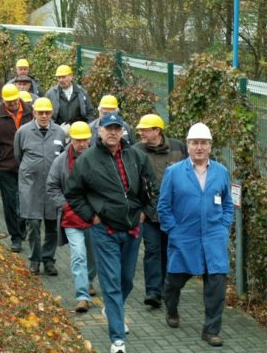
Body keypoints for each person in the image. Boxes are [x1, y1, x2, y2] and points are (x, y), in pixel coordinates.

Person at [65, 113, 157, 353]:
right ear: (100, 131)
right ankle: (117, 339)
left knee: (127, 279)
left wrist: (145, 213)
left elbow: (153, 188)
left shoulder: (137, 156)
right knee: (112, 283)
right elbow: (73, 193)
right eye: (108, 128)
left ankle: (112, 308)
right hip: (104, 230)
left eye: (117, 128)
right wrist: (91, 216)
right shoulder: (87, 160)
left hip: (133, 228)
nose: (113, 132)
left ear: (122, 131)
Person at [157, 122, 234, 347]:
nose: (199, 147)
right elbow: (163, 207)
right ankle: (171, 309)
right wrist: (174, 231)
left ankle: (211, 330)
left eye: (203, 143)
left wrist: (223, 227)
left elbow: (228, 203)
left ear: (210, 146)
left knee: (217, 285)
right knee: (173, 283)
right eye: (194, 143)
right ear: (188, 146)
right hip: (184, 239)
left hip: (213, 239)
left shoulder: (221, 172)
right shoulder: (174, 172)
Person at [134, 114, 187, 308]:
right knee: (152, 251)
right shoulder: (136, 151)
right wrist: (139, 209)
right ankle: (153, 292)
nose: (140, 132)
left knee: (169, 251)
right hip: (148, 213)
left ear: (157, 131)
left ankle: (167, 288)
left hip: (174, 214)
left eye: (144, 130)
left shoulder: (178, 148)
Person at [46, 121, 97, 313]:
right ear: (71, 140)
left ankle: (89, 279)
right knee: (78, 256)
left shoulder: (98, 158)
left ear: (90, 139)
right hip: (72, 217)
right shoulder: (60, 162)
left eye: (85, 140)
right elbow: (51, 186)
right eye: (78, 140)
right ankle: (82, 296)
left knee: (94, 257)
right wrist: (66, 206)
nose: (82, 144)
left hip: (94, 217)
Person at [14, 97, 65, 276]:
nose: (44, 116)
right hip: (31, 185)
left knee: (52, 225)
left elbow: (64, 159)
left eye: (47, 113)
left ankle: (48, 260)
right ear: (34, 113)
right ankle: (35, 259)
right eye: (40, 112)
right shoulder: (23, 132)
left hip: (52, 186)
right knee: (33, 223)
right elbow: (18, 155)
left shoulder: (59, 132)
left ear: (52, 113)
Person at [0, 84, 33, 252]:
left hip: (27, 166)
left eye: (14, 101)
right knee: (11, 203)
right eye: (8, 101)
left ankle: (22, 226)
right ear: (3, 100)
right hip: (6, 166)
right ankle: (16, 237)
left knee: (25, 201)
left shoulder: (30, 112)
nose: (12, 104)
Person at [46, 65, 94, 136]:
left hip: (79, 132)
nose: (61, 80)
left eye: (63, 77)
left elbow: (90, 113)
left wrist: (88, 128)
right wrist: (56, 129)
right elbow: (45, 115)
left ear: (71, 76)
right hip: (58, 132)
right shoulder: (50, 94)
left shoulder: (81, 92)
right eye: (59, 77)